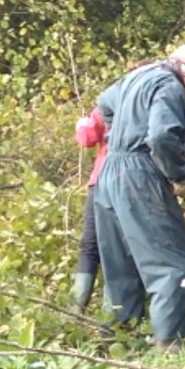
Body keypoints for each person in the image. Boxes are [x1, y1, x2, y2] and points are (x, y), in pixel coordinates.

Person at [92, 44, 185, 347]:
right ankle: (172, 350)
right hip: (139, 175)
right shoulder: (170, 85)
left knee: (122, 265)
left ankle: (116, 345)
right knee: (174, 264)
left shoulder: (139, 75)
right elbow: (161, 136)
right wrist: (179, 175)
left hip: (110, 173)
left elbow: (104, 104)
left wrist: (120, 133)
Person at [71, 106, 109, 311]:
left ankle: (75, 312)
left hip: (101, 182)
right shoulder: (153, 97)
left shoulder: (111, 100)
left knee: (90, 247)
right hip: (130, 186)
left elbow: (87, 138)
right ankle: (112, 320)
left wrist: (82, 124)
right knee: (120, 249)